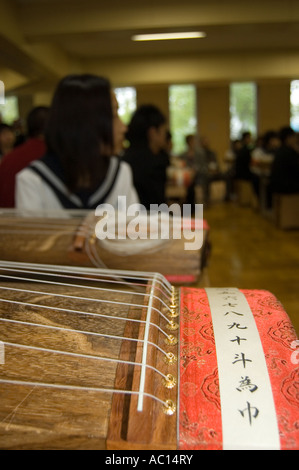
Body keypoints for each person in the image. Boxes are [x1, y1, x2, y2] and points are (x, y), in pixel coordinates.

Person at [16, 74, 139, 211]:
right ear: (84, 125)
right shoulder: (33, 181)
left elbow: (132, 228)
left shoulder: (121, 172)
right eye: (114, 116)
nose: (124, 127)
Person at [0, 106, 49, 207]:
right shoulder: (58, 157)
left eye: (9, 133)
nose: (8, 137)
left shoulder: (9, 159)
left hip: (9, 220)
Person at [123, 104, 169, 209]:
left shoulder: (126, 159)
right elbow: (157, 207)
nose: (165, 135)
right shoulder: (153, 165)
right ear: (153, 133)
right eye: (163, 130)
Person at [270, 126, 299, 194]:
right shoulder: (289, 152)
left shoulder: (279, 150)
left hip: (277, 185)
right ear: (288, 138)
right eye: (294, 137)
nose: (296, 139)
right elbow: (296, 170)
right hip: (286, 186)